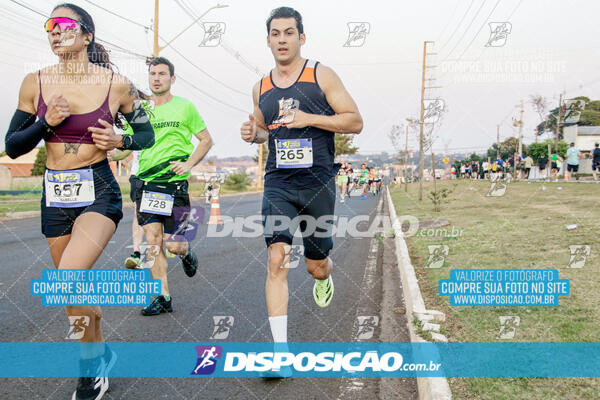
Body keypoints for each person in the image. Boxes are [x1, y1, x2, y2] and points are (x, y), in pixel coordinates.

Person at [4, 4, 155, 399]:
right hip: (54, 193)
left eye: (64, 25)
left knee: (68, 280)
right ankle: (101, 352)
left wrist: (121, 140)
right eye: (49, 26)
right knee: (73, 295)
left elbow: (146, 135)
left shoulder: (116, 85)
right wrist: (45, 123)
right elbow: (13, 147)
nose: (55, 32)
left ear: (86, 35)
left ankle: (90, 372)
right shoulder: (33, 83)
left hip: (98, 191)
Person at [239, 6, 362, 377]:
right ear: (268, 40)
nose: (282, 39)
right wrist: (253, 135)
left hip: (317, 182)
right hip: (278, 181)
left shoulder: (320, 74)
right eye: (275, 34)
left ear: (301, 37)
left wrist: (310, 119)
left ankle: (325, 271)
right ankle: (280, 353)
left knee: (315, 267)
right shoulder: (260, 86)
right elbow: (264, 130)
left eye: (289, 33)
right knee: (277, 257)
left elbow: (355, 121)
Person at [118, 57, 214, 316]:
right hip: (147, 183)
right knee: (153, 241)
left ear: (172, 79)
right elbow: (127, 143)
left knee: (174, 245)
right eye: (152, 74)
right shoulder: (139, 110)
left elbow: (206, 140)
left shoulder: (185, 107)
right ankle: (162, 296)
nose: (156, 78)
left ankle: (186, 253)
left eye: (162, 74)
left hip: (175, 184)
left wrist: (189, 165)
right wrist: (110, 149)